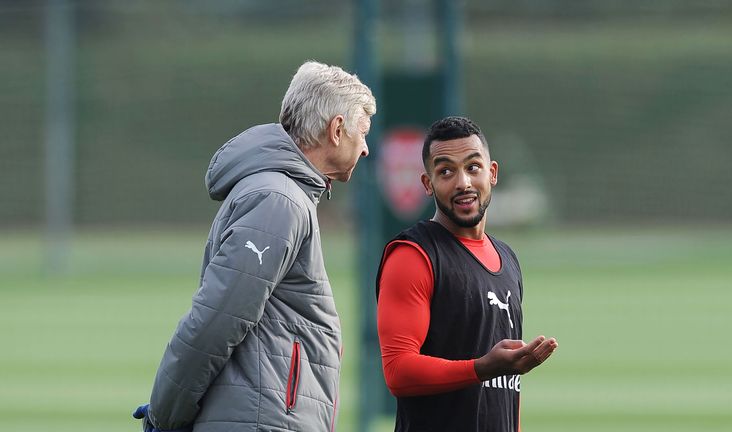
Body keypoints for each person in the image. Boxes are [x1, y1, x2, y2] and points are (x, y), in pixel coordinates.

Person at [132, 61, 376, 432]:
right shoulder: (279, 200)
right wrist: (164, 415)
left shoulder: (281, 194)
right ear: (337, 130)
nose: (366, 149)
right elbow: (217, 319)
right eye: (363, 133)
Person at [376, 116, 558, 432]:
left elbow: (506, 395)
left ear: (493, 173)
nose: (463, 182)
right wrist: (483, 367)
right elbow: (398, 371)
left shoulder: (507, 258)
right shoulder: (413, 255)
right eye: (446, 171)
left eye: (473, 167)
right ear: (427, 184)